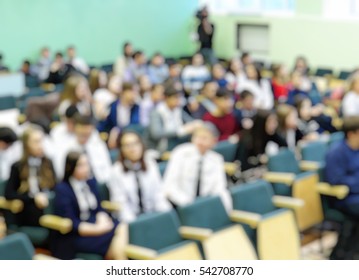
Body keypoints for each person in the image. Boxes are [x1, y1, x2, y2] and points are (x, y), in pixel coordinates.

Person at [52, 151, 127, 259]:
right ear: (70, 167)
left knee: (123, 226)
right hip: (77, 235)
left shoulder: (90, 182)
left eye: (87, 164)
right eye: (81, 165)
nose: (86, 168)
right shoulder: (62, 189)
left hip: (95, 224)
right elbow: (71, 223)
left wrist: (102, 218)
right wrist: (98, 229)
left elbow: (99, 207)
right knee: (116, 242)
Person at [164, 123, 232, 211]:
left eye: (204, 138)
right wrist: (189, 204)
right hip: (180, 205)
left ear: (214, 141)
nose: (199, 141)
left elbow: (220, 189)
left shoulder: (216, 159)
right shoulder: (180, 153)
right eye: (197, 137)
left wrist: (226, 210)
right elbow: (169, 186)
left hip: (205, 206)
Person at [108, 131, 171, 223]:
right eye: (127, 145)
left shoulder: (150, 164)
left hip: (152, 215)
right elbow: (121, 205)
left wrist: (167, 215)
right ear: (121, 149)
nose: (132, 148)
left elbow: (158, 195)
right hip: (130, 220)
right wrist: (136, 225)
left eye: (135, 144)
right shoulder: (116, 172)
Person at [5, 126, 56, 227]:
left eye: (41, 141)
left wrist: (46, 196)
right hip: (29, 209)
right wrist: (33, 198)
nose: (40, 145)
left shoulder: (48, 163)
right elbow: (9, 194)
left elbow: (56, 186)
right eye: (36, 142)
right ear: (26, 145)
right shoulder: (17, 166)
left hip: (48, 205)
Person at [54, 115, 112, 184]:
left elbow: (108, 168)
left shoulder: (98, 145)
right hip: (78, 185)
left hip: (101, 183)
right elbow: (61, 172)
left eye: (88, 134)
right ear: (75, 129)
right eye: (82, 134)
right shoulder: (65, 149)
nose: (85, 137)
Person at [148, 87, 202, 153]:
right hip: (164, 145)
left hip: (179, 141)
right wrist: (179, 131)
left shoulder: (178, 109)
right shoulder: (157, 112)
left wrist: (195, 124)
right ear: (166, 98)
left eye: (179, 98)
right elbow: (156, 133)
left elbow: (190, 121)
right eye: (175, 98)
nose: (178, 100)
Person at [97, 83, 141, 148]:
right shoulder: (112, 106)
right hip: (112, 140)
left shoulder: (136, 108)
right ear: (123, 92)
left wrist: (117, 130)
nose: (135, 95)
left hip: (129, 139)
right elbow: (104, 124)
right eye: (132, 92)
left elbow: (135, 126)